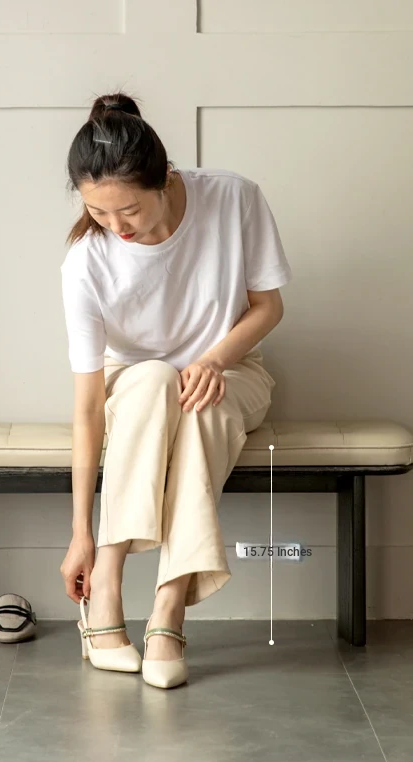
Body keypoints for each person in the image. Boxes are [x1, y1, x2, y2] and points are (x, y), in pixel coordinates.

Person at [58, 91, 292, 688]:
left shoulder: (235, 198)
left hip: (232, 369)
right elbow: (88, 408)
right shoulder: (85, 263)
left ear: (164, 177)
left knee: (204, 408)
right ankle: (106, 588)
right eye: (98, 213)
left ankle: (168, 607)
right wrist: (81, 533)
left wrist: (215, 359)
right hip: (133, 384)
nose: (116, 228)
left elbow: (268, 307)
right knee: (156, 379)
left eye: (128, 211)